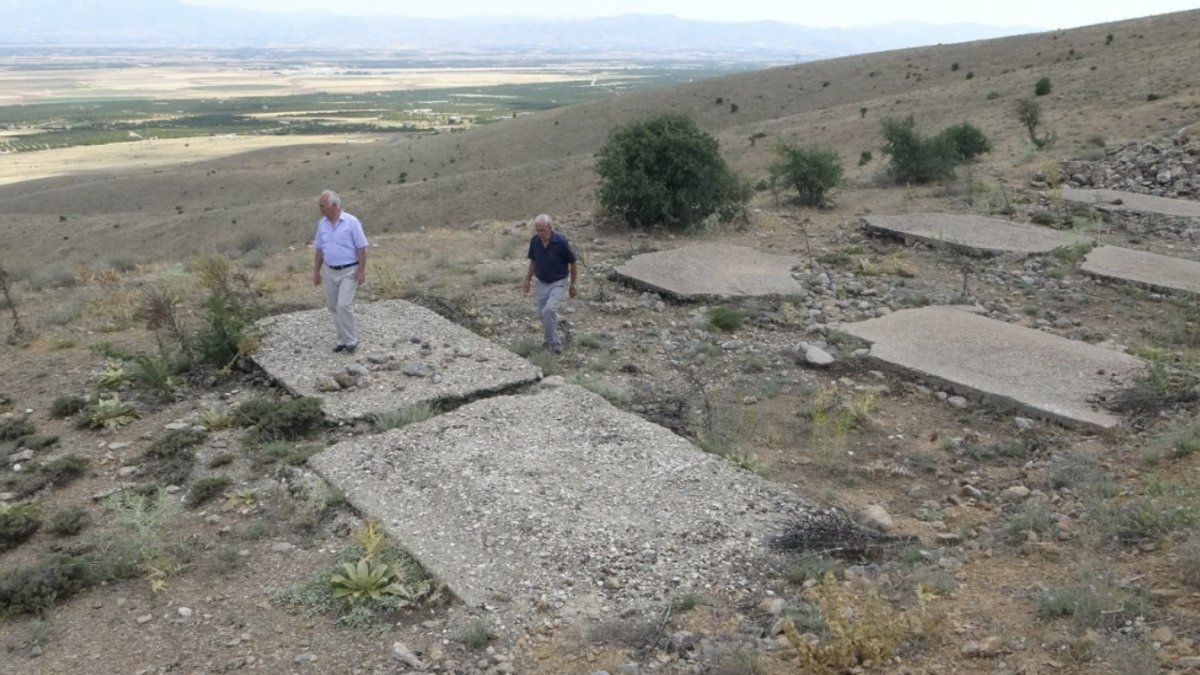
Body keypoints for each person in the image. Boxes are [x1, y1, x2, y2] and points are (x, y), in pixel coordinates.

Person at [312, 190, 368, 354]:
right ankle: (342, 339)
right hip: (329, 270)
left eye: (323, 206)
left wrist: (362, 271)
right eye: (320, 206)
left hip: (349, 270)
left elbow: (361, 248)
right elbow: (319, 250)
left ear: (334, 205)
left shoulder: (352, 222)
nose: (320, 209)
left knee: (343, 305)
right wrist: (316, 272)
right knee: (332, 306)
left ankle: (351, 340)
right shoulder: (322, 224)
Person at [522, 214, 578, 354]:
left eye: (542, 230)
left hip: (558, 282)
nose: (540, 234)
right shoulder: (535, 241)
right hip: (541, 282)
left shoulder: (560, 241)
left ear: (550, 227)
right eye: (537, 230)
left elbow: (573, 261)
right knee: (542, 315)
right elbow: (533, 261)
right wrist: (528, 279)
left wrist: (573, 285)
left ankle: (548, 343)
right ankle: (557, 344)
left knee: (549, 310)